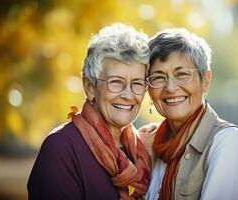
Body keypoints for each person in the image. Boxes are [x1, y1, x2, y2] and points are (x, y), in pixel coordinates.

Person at [27, 23, 151, 200]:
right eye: (116, 82)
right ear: (90, 87)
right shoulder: (61, 148)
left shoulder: (141, 152)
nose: (128, 95)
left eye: (137, 83)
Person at [145, 28, 238, 200]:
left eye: (182, 74)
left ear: (205, 81)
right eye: (158, 77)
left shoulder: (229, 142)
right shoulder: (154, 148)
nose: (170, 87)